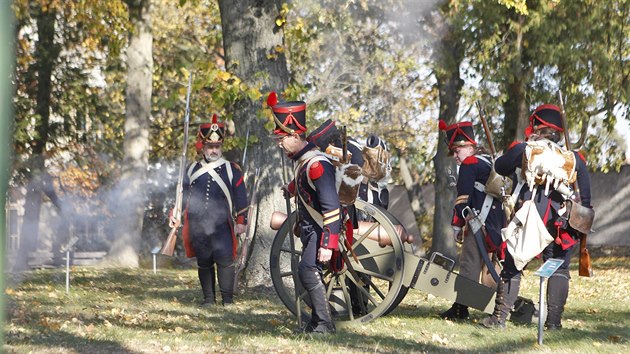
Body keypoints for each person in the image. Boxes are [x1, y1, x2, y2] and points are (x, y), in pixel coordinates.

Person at [481, 104, 592, 329]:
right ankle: (553, 323)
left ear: (537, 128)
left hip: (530, 215)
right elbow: (586, 199)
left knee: (513, 266)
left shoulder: (525, 149)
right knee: (559, 269)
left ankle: (499, 319)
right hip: (562, 221)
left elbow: (500, 167)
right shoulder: (574, 158)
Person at [268, 92, 340, 334]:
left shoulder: (318, 164)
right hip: (310, 228)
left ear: (295, 135)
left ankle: (325, 324)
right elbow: (304, 183)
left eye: (282, 139)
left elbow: (331, 207)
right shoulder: (305, 162)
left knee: (307, 270)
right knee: (306, 270)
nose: (280, 143)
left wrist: (328, 244)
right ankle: (317, 321)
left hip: (321, 229)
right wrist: (290, 189)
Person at [170, 114, 248, 307]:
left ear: (221, 147)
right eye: (210, 146)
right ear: (203, 147)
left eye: (217, 147)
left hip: (222, 224)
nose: (214, 150)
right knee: (204, 262)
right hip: (198, 224)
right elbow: (183, 195)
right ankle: (208, 300)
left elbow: (241, 198)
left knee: (225, 261)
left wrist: (241, 221)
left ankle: (227, 300)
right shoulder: (191, 169)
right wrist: (175, 213)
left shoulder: (232, 169)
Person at [437, 120, 506, 320]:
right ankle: (498, 308)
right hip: (496, 223)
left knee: (469, 264)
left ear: (468, 146)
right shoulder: (489, 161)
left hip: (478, 222)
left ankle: (460, 308)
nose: (456, 157)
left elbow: (463, 197)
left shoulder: (470, 163)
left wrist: (457, 225)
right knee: (491, 267)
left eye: (457, 151)